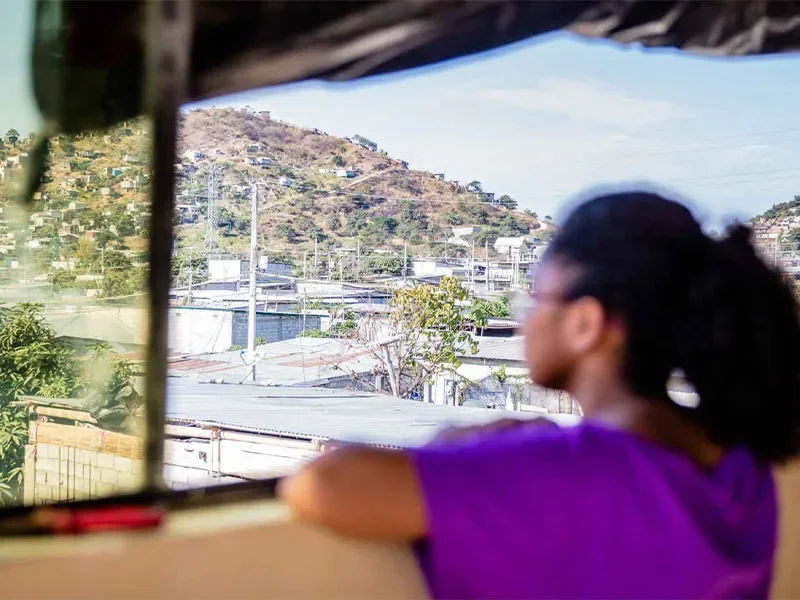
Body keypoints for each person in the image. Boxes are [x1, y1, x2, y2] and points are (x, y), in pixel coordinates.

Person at [279, 191, 800, 599]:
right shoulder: (740, 464)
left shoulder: (566, 471)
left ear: (585, 324)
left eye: (535, 295)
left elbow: (318, 486)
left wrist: (462, 435)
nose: (524, 317)